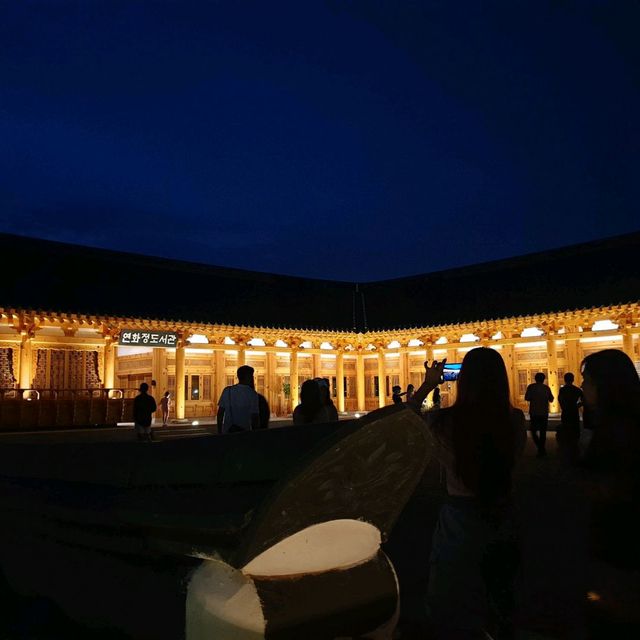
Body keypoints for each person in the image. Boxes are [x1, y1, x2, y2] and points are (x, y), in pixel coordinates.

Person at [410, 348, 526, 639]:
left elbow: (406, 417)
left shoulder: (445, 422)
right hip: (503, 515)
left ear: (464, 380)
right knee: (499, 593)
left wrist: (428, 383)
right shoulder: (514, 420)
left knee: (452, 599)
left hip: (459, 519)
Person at [579, 349, 640, 634]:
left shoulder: (617, 433)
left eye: (586, 380)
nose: (582, 387)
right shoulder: (622, 425)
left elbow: (610, 488)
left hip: (619, 543)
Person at [217, 365, 260, 434]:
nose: (253, 378)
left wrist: (219, 431)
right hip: (244, 432)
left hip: (228, 431)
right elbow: (254, 418)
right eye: (252, 376)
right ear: (248, 377)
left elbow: (220, 413)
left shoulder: (227, 390)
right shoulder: (252, 394)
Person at [525, 372, 554, 457]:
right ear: (543, 379)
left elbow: (527, 397)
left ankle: (540, 448)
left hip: (534, 412)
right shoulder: (546, 388)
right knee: (543, 431)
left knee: (533, 431)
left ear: (535, 378)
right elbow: (551, 399)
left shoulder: (531, 387)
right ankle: (541, 448)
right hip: (544, 412)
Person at [557, 372, 583, 465]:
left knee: (566, 427)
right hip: (573, 410)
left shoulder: (563, 390)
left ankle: (567, 448)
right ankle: (574, 448)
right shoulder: (576, 390)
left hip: (566, 411)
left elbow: (559, 399)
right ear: (573, 379)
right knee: (575, 429)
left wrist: (563, 406)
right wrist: (577, 405)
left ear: (565, 379)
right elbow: (583, 399)